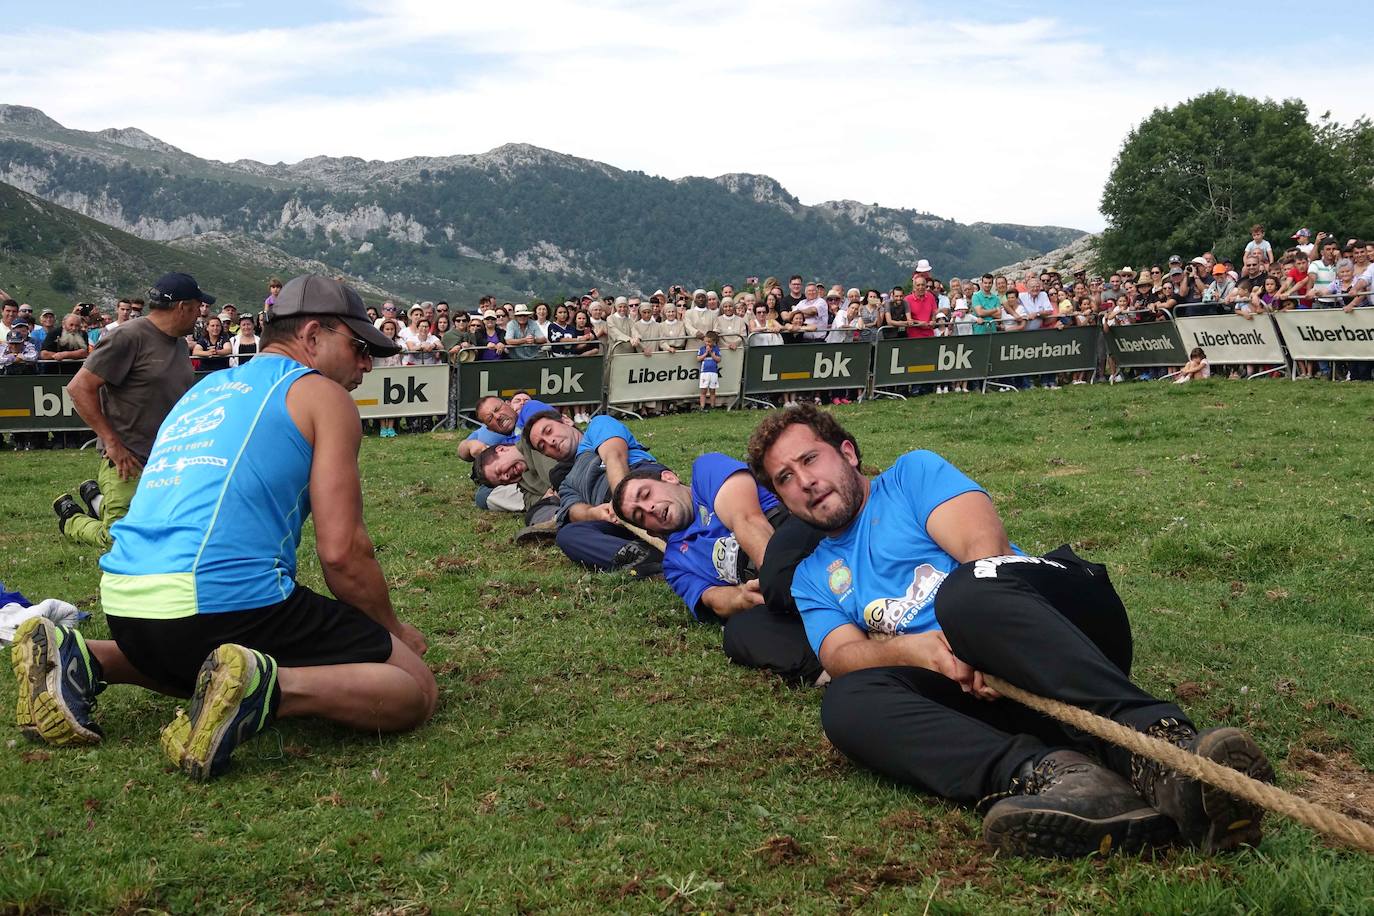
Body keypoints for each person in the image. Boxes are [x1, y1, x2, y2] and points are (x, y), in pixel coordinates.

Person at [746, 404, 1273, 859]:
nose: (805, 481)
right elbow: (840, 655)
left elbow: (984, 549)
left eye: (810, 459)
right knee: (847, 703)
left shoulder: (911, 477)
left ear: (848, 452)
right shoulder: (814, 575)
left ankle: (1163, 746)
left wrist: (971, 644)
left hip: (1049, 625)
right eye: (785, 478)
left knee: (968, 592)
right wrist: (919, 651)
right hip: (979, 690)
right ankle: (1065, 780)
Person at [11, 275, 436, 781]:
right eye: (360, 346)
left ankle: (87, 657)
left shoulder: (203, 390)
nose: (368, 364)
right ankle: (263, 689)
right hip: (222, 605)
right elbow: (343, 553)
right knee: (414, 690)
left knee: (206, 660)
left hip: (126, 607)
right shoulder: (321, 395)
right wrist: (392, 630)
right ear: (314, 334)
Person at [610, 453, 824, 686]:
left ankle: (839, 612)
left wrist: (777, 580)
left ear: (669, 478)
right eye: (640, 516)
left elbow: (746, 518)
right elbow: (711, 598)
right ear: (650, 532)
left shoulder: (706, 471)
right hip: (764, 592)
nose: (649, 508)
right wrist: (741, 598)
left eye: (646, 494)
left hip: (788, 541)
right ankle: (836, 667)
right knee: (739, 632)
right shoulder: (673, 564)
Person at [52, 274, 205, 549]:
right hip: (128, 458)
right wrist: (111, 443)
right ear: (182, 307)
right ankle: (71, 518)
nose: (201, 314)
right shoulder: (128, 336)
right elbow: (79, 388)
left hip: (167, 461)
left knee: (167, 532)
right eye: (197, 307)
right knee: (121, 540)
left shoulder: (180, 344)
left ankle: (96, 499)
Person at [522, 409, 664, 576]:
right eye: (543, 446)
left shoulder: (598, 425)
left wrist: (621, 502)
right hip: (614, 518)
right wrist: (595, 512)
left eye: (549, 430)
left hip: (641, 483)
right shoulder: (566, 482)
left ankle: (675, 539)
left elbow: (614, 456)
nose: (550, 442)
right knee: (568, 535)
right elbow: (573, 509)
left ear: (566, 421)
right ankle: (648, 557)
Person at [697, 331, 722, 411]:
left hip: (713, 372)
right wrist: (705, 354)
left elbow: (718, 359)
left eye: (709, 342)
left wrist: (711, 354)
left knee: (712, 391)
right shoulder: (702, 349)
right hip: (704, 372)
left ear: (713, 342)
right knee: (703, 390)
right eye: (706, 341)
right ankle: (702, 407)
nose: (707, 343)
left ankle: (712, 406)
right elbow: (698, 359)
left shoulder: (716, 349)